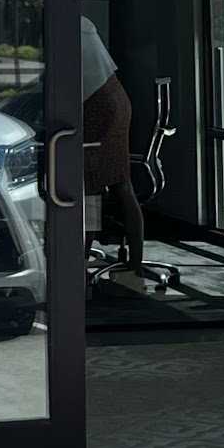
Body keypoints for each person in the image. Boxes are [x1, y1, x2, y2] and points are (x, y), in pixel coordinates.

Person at [80, 15, 143, 270]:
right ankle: (135, 261)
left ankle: (79, 260)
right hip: (115, 97)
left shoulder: (65, 23)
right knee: (121, 183)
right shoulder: (83, 24)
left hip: (98, 105)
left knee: (88, 184)